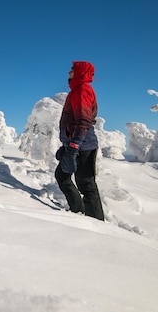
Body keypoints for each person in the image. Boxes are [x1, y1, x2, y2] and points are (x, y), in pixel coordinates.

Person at [55, 61, 105, 221]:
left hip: (84, 146)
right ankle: (78, 211)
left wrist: (74, 147)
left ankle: (97, 223)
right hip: (75, 144)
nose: (69, 72)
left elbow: (83, 121)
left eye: (72, 69)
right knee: (62, 175)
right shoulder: (77, 90)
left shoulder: (82, 90)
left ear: (80, 73)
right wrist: (67, 145)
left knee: (86, 184)